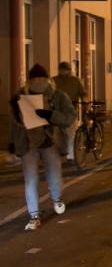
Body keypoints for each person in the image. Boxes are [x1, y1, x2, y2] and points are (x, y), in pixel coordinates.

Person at [9, 64, 77, 231]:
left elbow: (70, 117)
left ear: (47, 79)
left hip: (50, 141)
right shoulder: (21, 95)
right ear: (30, 80)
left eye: (41, 78)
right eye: (34, 78)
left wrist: (51, 115)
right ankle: (34, 215)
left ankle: (56, 198)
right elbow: (13, 122)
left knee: (54, 174)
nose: (38, 81)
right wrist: (12, 141)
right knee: (30, 179)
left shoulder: (58, 95)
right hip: (27, 142)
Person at [52, 62, 87, 163]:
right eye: (61, 69)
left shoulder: (75, 80)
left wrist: (84, 100)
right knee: (57, 134)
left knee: (70, 134)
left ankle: (70, 156)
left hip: (70, 111)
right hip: (57, 112)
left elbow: (83, 93)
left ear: (69, 70)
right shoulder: (54, 80)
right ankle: (60, 153)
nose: (62, 71)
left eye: (65, 69)